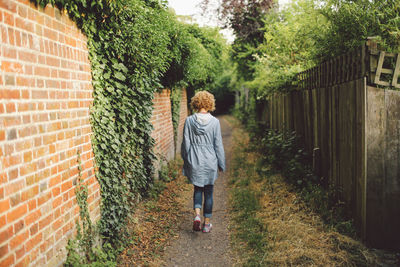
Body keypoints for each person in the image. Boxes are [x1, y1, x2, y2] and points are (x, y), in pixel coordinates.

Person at [181, 91, 225, 233]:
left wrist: (186, 160)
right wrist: (221, 163)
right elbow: (218, 144)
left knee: (198, 189)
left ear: (195, 103)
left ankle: (197, 216)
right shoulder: (215, 122)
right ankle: (207, 224)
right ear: (210, 104)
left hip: (195, 160)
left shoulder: (188, 121)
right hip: (210, 161)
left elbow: (186, 144)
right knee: (209, 192)